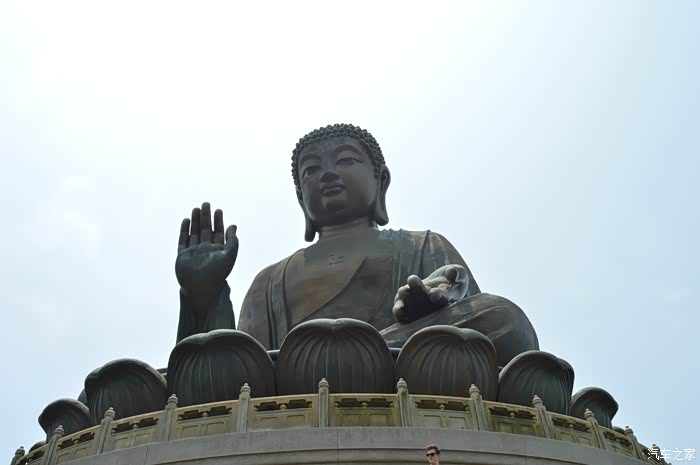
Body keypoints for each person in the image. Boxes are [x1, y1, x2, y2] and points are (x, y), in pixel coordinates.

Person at [174, 124, 538, 360]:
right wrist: (204, 296)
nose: (327, 174)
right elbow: (236, 363)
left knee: (504, 318)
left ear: (381, 182)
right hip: (296, 381)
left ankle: (355, 357)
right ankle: (354, 359)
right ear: (301, 198)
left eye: (345, 160)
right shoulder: (268, 282)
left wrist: (431, 307)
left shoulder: (422, 245)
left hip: (401, 363)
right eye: (311, 169)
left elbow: (474, 321)